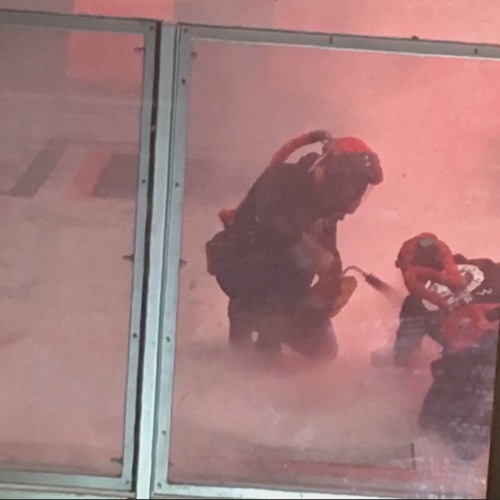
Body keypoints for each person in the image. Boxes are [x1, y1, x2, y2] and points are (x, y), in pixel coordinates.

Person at [205, 130, 383, 364]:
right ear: (337, 173)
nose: (355, 194)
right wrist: (311, 250)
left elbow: (327, 246)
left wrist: (333, 281)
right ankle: (252, 322)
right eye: (354, 186)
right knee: (296, 262)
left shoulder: (325, 204)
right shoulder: (281, 179)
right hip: (242, 267)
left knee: (323, 350)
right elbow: (272, 223)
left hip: (286, 281)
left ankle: (272, 327)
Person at [379, 232, 500, 460]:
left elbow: (404, 356)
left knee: (431, 424)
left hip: (470, 365)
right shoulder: (485, 265)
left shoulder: (414, 303)